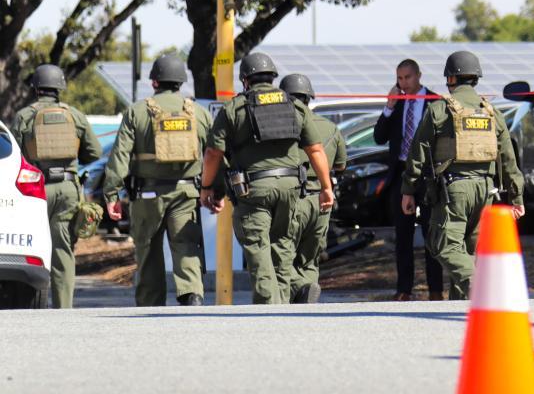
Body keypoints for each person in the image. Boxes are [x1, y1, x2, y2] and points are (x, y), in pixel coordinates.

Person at [199, 52, 335, 304]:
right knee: (283, 245)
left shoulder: (234, 108)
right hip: (292, 186)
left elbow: (212, 153)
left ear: (245, 81)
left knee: (258, 246)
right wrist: (326, 187)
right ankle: (283, 305)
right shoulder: (294, 105)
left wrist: (207, 187)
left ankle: (267, 308)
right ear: (273, 78)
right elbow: (315, 149)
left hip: (253, 189)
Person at [400, 51, 525, 300]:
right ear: (476, 78)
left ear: (450, 79)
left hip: (454, 191)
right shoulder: (491, 112)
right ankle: (461, 307)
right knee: (469, 251)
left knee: (441, 242)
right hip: (486, 192)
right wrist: (517, 197)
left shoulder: (439, 109)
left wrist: (408, 190)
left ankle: (479, 285)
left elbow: (418, 153)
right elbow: (509, 158)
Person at [102, 55, 212, 306]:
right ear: (182, 82)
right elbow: (215, 152)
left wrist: (112, 194)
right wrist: (214, 190)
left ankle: (151, 307)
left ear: (154, 82)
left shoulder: (137, 112)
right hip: (186, 194)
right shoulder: (198, 113)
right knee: (186, 247)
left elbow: (120, 155)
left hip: (147, 197)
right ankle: (192, 295)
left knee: (149, 251)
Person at [11, 64, 102, 308]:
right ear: (60, 87)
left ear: (36, 88)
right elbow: (94, 153)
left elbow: (14, 156)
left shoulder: (24, 116)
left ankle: (32, 303)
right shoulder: (75, 115)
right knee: (62, 248)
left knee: (31, 246)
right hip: (67, 189)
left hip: (35, 190)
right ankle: (63, 309)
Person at [373, 59, 444, 301]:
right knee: (402, 236)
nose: (404, 83)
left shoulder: (435, 101)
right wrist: (389, 107)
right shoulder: (398, 103)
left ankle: (435, 289)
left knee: (430, 233)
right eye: (400, 78)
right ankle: (404, 289)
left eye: (408, 77)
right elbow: (379, 137)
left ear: (419, 76)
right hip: (401, 174)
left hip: (427, 174)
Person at [280, 74, 348, 304]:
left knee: (282, 251)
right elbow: (340, 165)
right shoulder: (331, 127)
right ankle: (307, 287)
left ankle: (293, 291)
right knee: (310, 258)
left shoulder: (278, 126)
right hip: (321, 198)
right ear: (309, 97)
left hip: (291, 196)